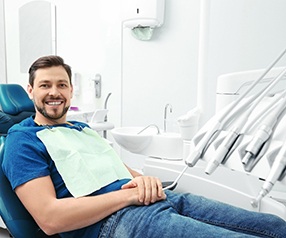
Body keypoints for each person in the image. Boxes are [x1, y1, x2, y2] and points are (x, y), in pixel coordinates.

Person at [2, 55, 286, 238]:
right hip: (114, 223)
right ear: (30, 91)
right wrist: (128, 197)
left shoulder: (83, 130)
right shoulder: (22, 139)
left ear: (70, 90)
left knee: (274, 226)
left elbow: (124, 173)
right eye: (45, 85)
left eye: (61, 85)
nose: (54, 92)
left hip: (159, 200)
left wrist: (145, 181)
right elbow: (51, 218)